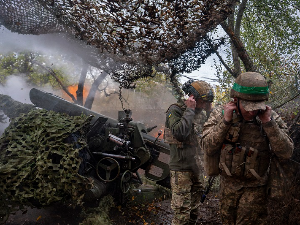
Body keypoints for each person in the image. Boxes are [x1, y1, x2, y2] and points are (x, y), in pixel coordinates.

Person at [201, 72, 294, 225]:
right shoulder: (221, 114)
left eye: (256, 107)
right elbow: (207, 147)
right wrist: (225, 122)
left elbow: (286, 152)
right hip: (228, 186)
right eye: (248, 107)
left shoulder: (269, 117)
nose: (252, 112)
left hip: (256, 188)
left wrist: (268, 124)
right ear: (235, 100)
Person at [164, 79, 214, 225]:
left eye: (207, 102)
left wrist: (209, 110)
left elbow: (211, 130)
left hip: (196, 167)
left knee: (194, 209)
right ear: (192, 97)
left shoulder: (200, 113)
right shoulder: (176, 110)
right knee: (182, 213)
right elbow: (180, 133)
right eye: (203, 101)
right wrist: (190, 110)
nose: (204, 105)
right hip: (181, 168)